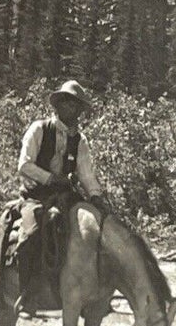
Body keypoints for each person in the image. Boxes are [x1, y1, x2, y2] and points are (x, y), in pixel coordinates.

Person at [11, 79, 107, 307]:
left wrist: (96, 196)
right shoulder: (39, 129)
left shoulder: (79, 140)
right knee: (31, 234)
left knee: (93, 230)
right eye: (67, 104)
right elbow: (24, 165)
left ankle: (93, 293)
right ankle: (27, 292)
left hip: (65, 195)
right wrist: (51, 178)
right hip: (37, 194)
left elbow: (86, 174)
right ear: (58, 106)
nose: (72, 110)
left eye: (76, 106)